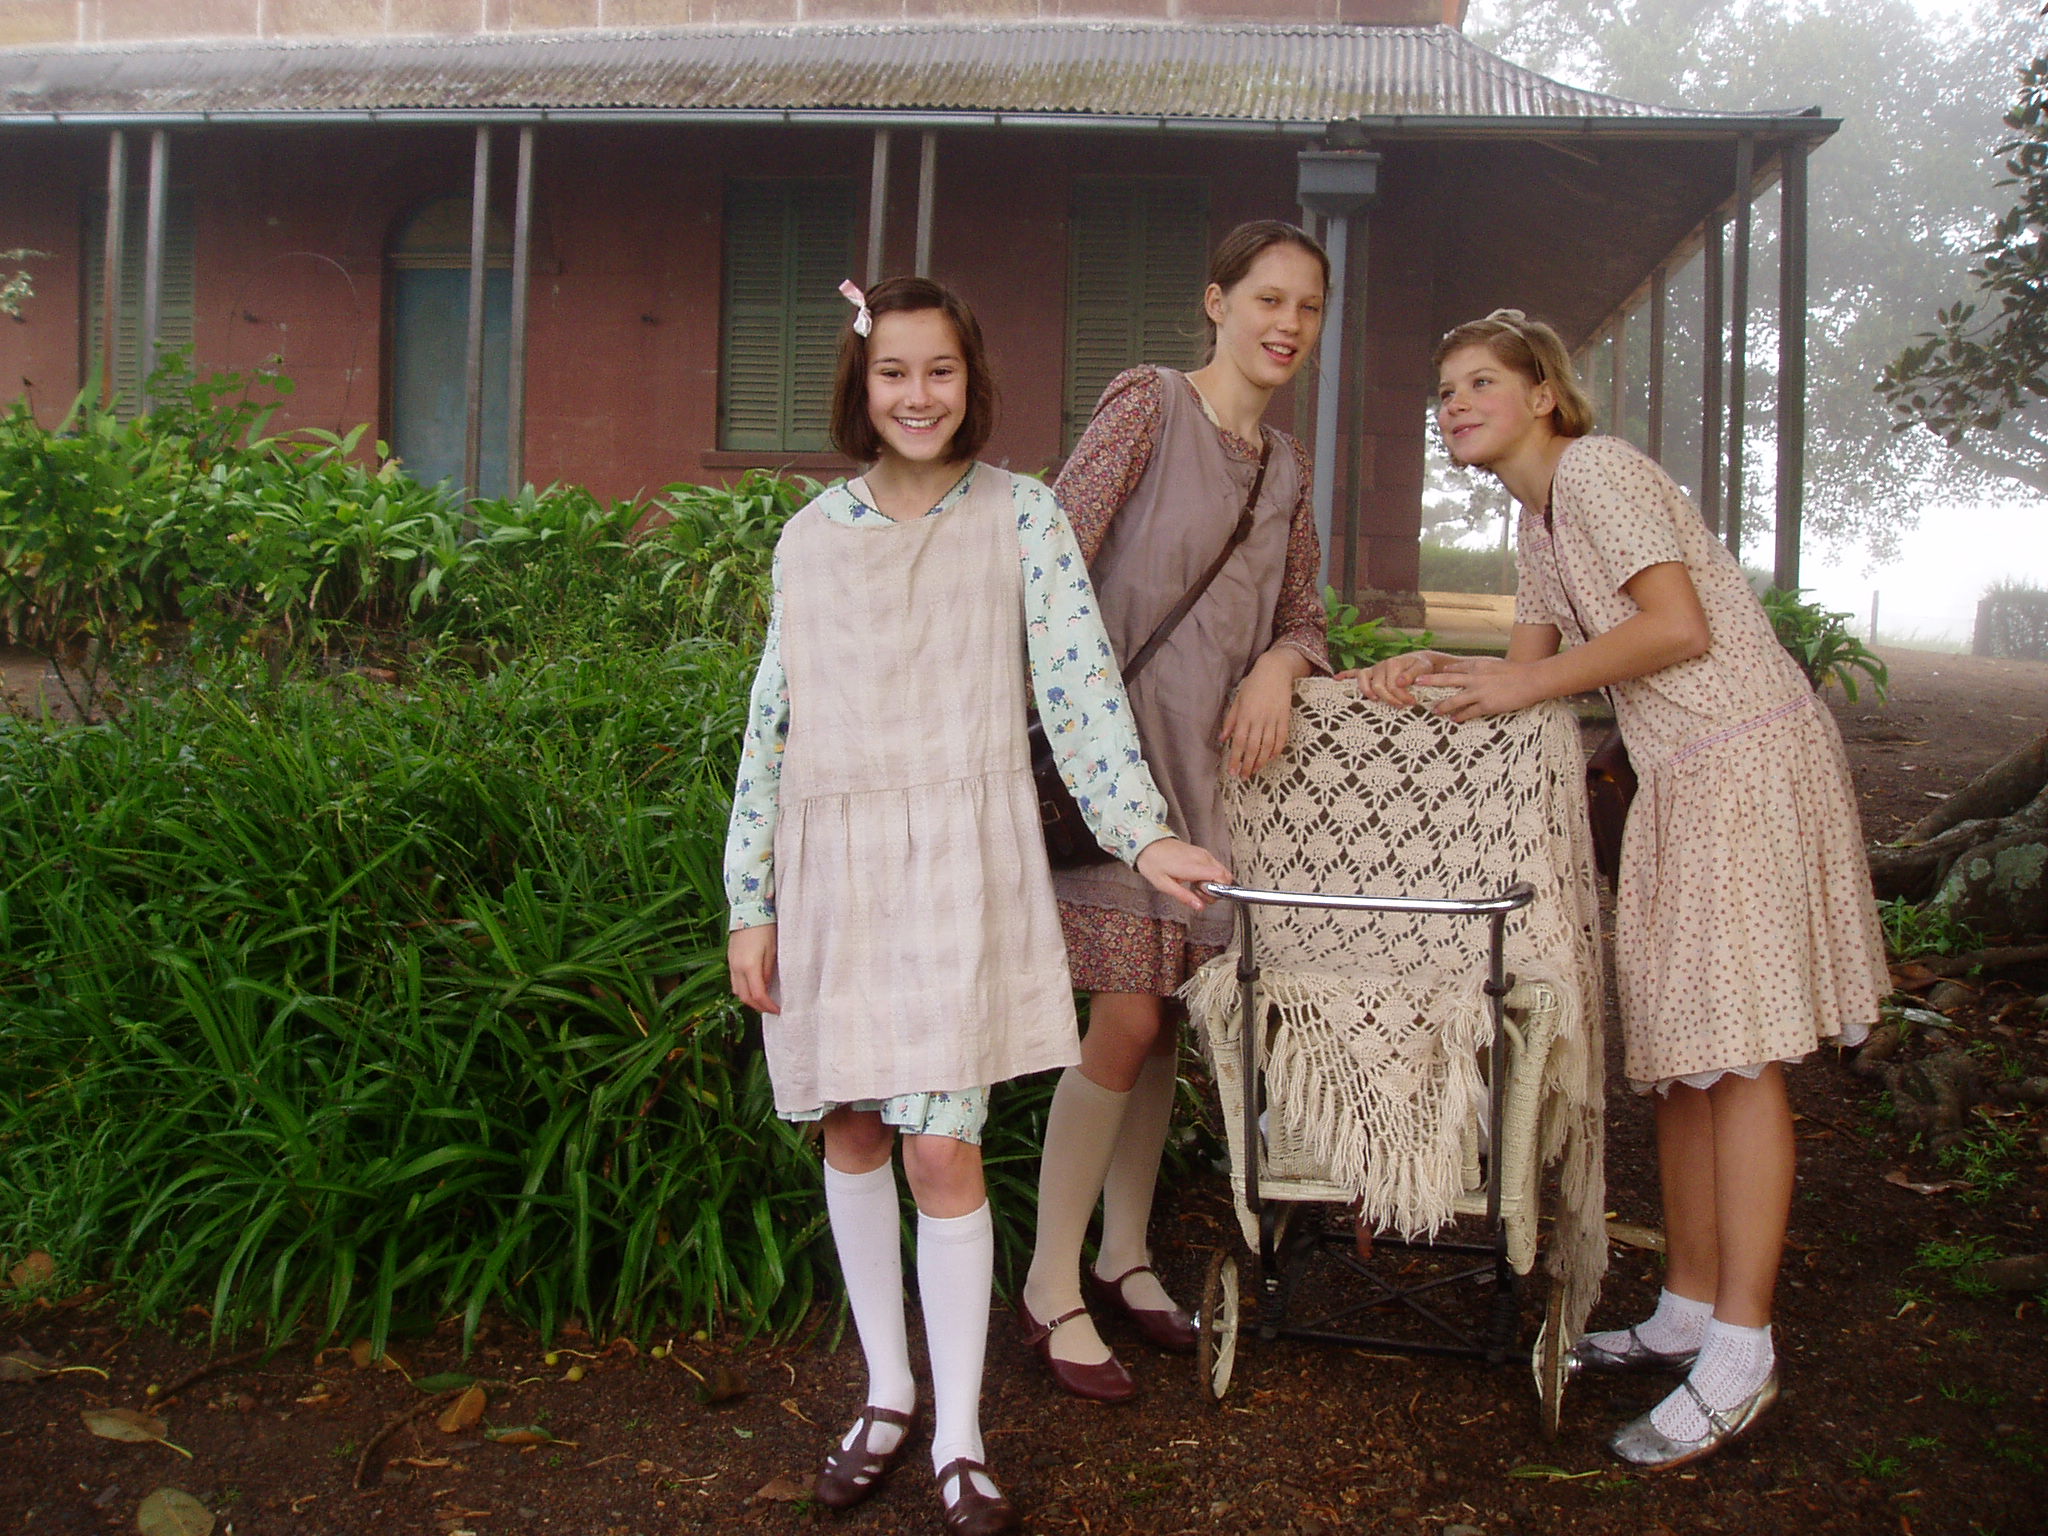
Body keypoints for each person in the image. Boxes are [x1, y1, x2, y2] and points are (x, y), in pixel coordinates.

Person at [723, 276, 1230, 1534]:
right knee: (849, 1130)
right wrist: (749, 898)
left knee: (941, 1149)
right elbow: (769, 725)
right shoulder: (806, 536)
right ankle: (885, 1393)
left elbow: (1079, 693)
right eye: (893, 372)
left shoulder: (1024, 518)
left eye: (938, 371)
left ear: (970, 379)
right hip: (829, 870)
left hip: (954, 860)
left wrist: (1143, 832)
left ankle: (958, 1434)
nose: (916, 396)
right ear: (862, 382)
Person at [1357, 309, 1888, 1471]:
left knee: (1738, 1056)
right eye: (1442, 390)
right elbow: (1527, 679)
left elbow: (1675, 625)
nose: (1452, 404)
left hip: (1739, 757)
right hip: (1678, 776)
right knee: (1687, 1058)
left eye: (1478, 381)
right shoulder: (1537, 521)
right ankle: (1690, 1307)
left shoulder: (1595, 474)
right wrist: (1407, 677)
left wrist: (1518, 682)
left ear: (1543, 392)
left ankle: (1742, 1348)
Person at [1021, 221, 1334, 1401]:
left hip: (1205, 792)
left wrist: (1278, 667)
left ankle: (1124, 1255)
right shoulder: (1147, 407)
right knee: (1130, 1022)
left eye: (1306, 307)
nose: (1284, 324)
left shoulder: (1286, 470)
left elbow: (1302, 614)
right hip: (1107, 776)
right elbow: (1046, 556)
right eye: (1264, 297)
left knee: (1155, 1030)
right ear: (1215, 300)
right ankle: (1050, 1282)